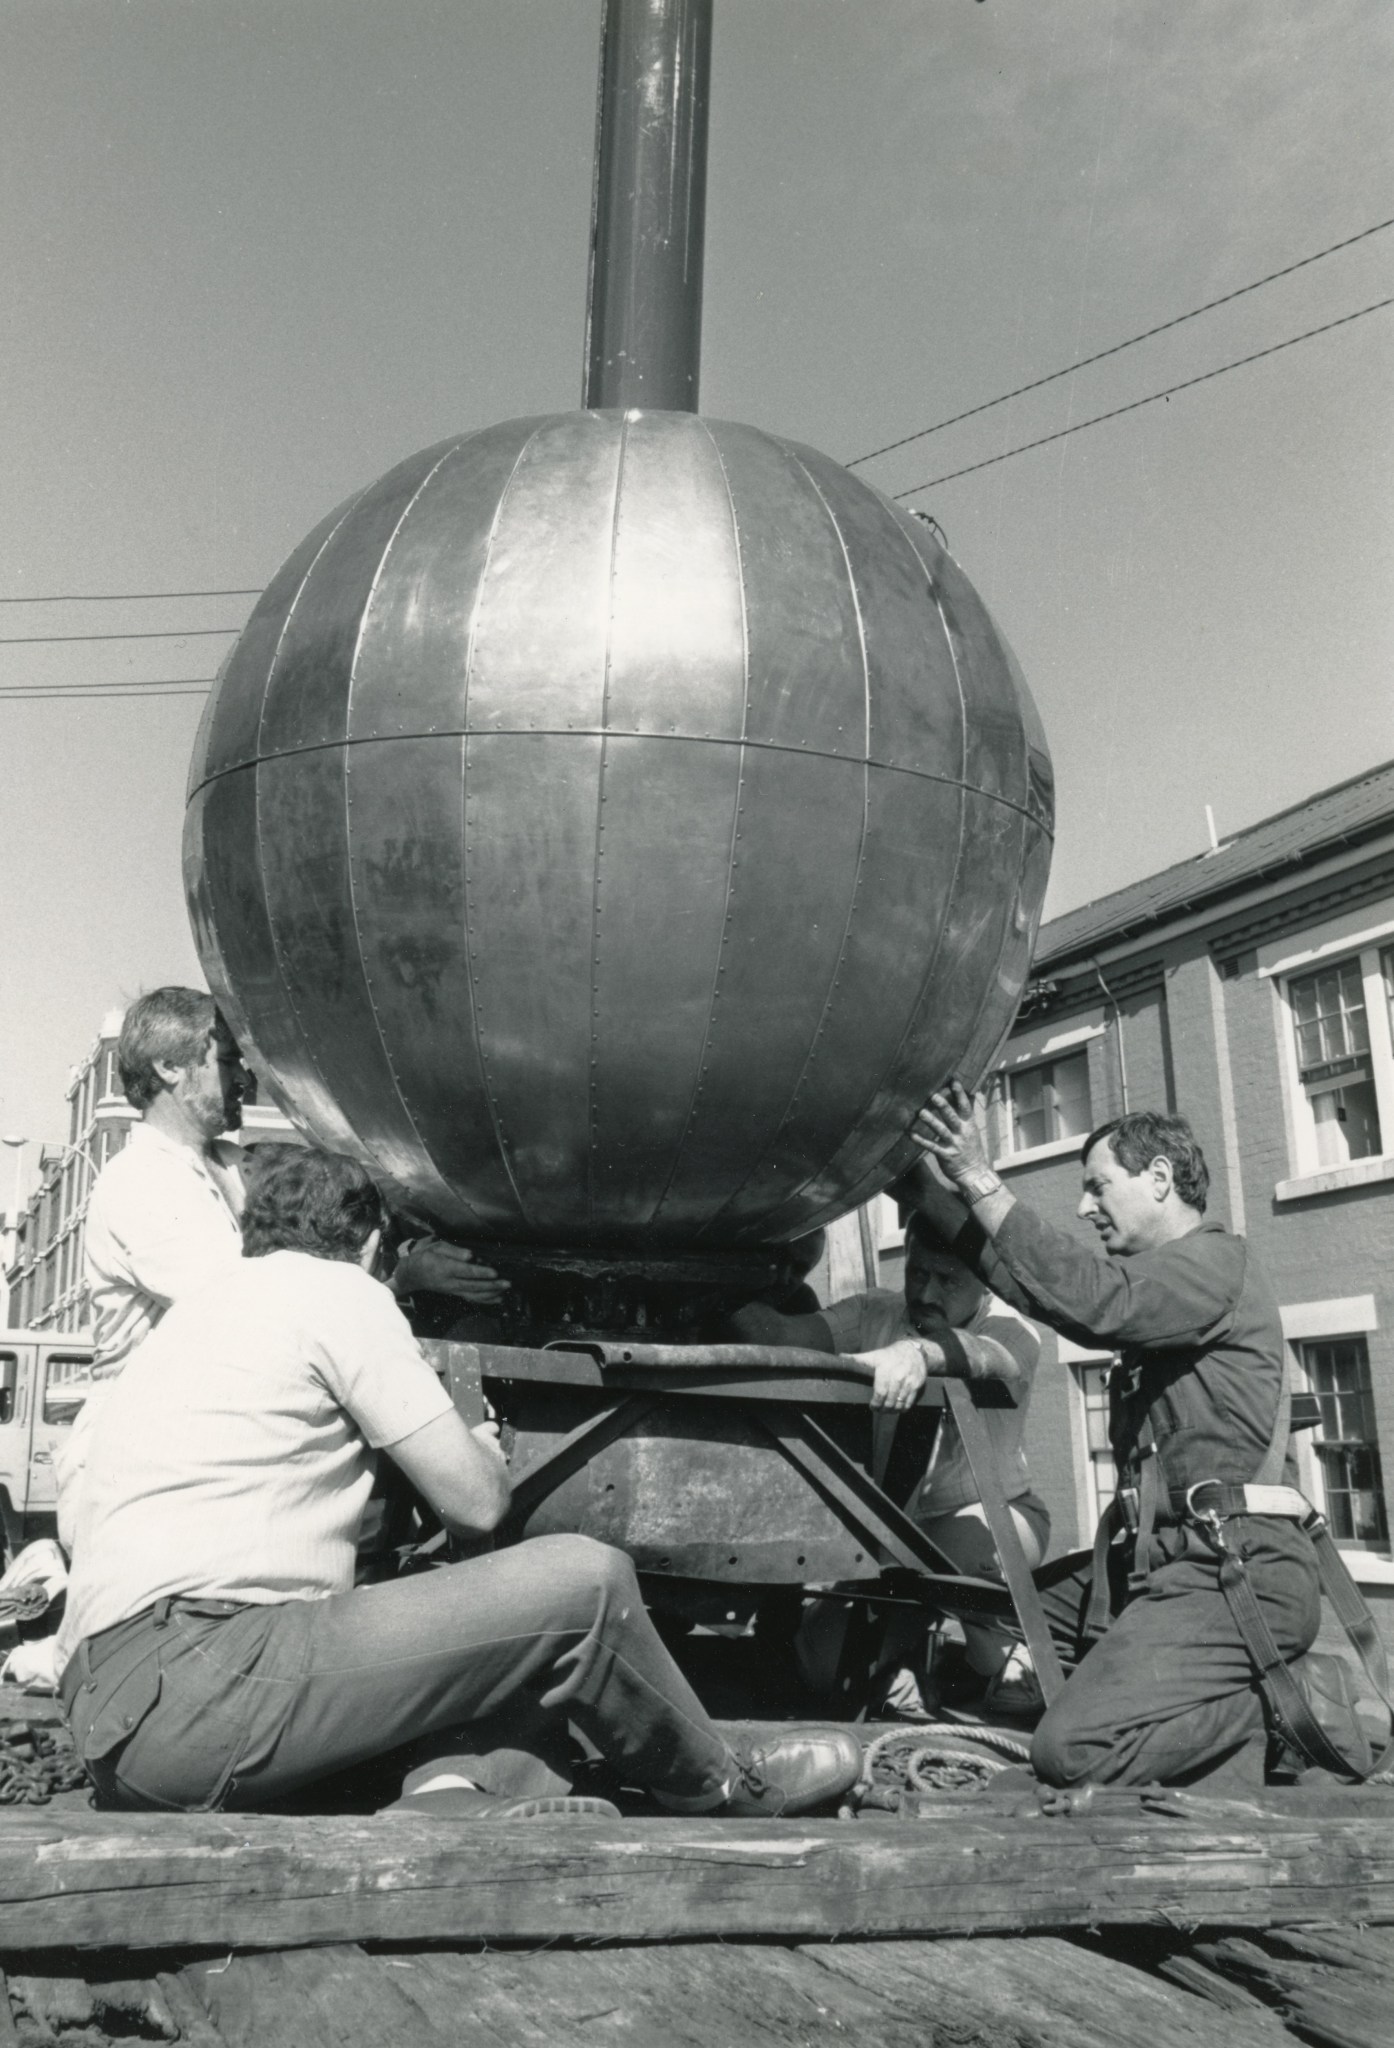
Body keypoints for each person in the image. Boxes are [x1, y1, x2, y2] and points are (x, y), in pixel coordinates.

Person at [56, 1145, 862, 1822]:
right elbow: (477, 1507)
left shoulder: (200, 1314)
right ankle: (721, 1785)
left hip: (114, 1708)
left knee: (506, 1653)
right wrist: (476, 1445)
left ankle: (448, 1796)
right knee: (584, 1583)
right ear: (372, 1246)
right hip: (207, 1686)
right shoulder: (340, 1292)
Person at [909, 1083, 1321, 1790]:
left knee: (1069, 1752)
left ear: (1160, 1178)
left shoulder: (1217, 1264)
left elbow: (1093, 1300)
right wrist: (917, 1184)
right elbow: (1028, 1278)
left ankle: (1272, 1712)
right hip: (1155, 1564)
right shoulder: (1162, 1287)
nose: (1082, 1207)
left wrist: (979, 1176)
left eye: (1098, 1187)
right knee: (994, 1609)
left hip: (1235, 1571)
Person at [59, 987, 509, 1548]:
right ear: (170, 1067)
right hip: (142, 1479)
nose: (245, 1081)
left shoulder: (224, 1166)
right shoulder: (140, 1183)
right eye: (226, 1063)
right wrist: (401, 1281)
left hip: (207, 1460)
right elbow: (266, 1314)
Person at [729, 1214, 1049, 1713]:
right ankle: (910, 1666)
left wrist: (917, 1354)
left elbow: (989, 1357)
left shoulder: (1013, 1330)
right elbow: (781, 1336)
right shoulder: (874, 1312)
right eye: (918, 1272)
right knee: (818, 1666)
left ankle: (1004, 1657)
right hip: (896, 1540)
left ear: (985, 1281)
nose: (926, 1292)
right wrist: (722, 1290)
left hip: (997, 1524)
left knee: (934, 1560)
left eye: (948, 1280)